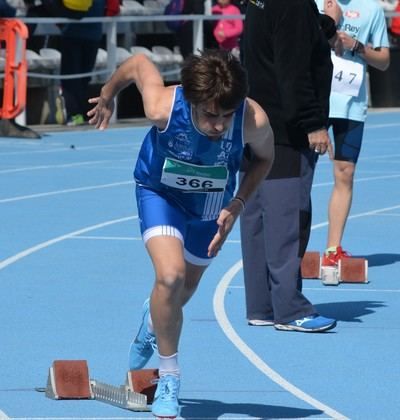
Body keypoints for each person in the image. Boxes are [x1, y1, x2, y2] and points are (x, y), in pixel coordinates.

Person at [87, 49, 274, 418]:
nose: (219, 126)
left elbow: (265, 159)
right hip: (161, 193)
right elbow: (140, 63)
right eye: (209, 115)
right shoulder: (163, 107)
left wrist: (238, 203)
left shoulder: (253, 120)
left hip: (210, 204)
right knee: (170, 276)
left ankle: (151, 319)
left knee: (183, 290)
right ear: (191, 101)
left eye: (226, 116)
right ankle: (170, 377)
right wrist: (108, 92)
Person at [240, 0, 342, 332]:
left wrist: (321, 26)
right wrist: (313, 123)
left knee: (256, 219)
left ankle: (262, 305)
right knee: (287, 220)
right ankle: (289, 308)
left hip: (254, 121)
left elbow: (281, 38)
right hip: (286, 130)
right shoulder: (294, 4)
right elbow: (292, 67)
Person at [315, 0, 390, 265]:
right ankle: (292, 246)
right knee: (301, 173)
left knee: (345, 173)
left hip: (351, 104)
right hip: (316, 101)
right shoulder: (312, 3)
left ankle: (333, 249)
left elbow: (383, 61)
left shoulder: (371, 8)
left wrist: (356, 46)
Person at [58, 0, 105, 126]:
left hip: (89, 33)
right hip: (75, 33)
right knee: (73, 78)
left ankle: (77, 113)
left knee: (81, 78)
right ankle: (74, 114)